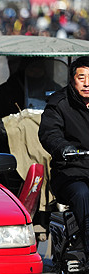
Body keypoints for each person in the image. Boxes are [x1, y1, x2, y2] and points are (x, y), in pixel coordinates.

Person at [39, 56, 89, 263]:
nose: (87, 83)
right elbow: (49, 133)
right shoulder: (59, 103)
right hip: (71, 173)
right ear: (72, 79)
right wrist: (62, 148)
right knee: (83, 194)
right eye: (82, 77)